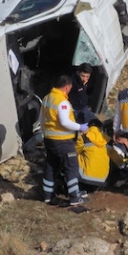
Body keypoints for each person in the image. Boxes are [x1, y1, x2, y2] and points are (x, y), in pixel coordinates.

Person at [41, 75, 89, 206]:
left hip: (49, 139)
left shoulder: (47, 98)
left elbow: (41, 119)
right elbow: (65, 122)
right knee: (71, 167)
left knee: (51, 166)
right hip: (63, 141)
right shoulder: (62, 102)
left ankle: (47, 195)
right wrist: (80, 127)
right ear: (66, 87)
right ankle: (74, 197)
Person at [75, 119, 110, 190]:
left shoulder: (83, 137)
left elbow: (74, 152)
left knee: (76, 156)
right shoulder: (107, 140)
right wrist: (122, 166)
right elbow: (117, 158)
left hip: (84, 178)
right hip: (102, 179)